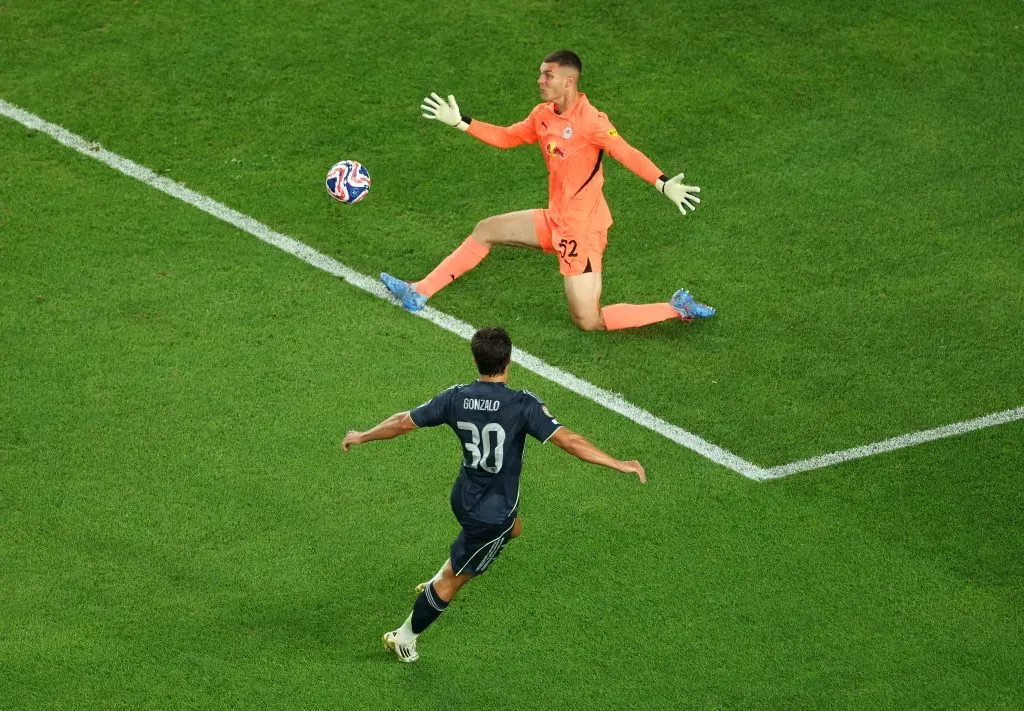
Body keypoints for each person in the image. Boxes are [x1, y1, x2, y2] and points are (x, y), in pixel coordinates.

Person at [341, 326, 646, 663]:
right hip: (490, 513)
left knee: (514, 528)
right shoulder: (522, 405)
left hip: (464, 496)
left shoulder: (455, 397)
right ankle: (404, 637)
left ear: (475, 360)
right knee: (453, 580)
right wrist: (617, 463)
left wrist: (362, 435)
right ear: (509, 360)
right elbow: (570, 441)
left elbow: (402, 422)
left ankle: (454, 563)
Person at [380, 49, 715, 332]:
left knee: (589, 320)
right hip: (556, 218)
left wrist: (663, 182)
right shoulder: (543, 115)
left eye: (547, 75)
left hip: (581, 231)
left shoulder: (592, 121)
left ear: (568, 81)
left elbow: (625, 152)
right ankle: (418, 292)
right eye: (541, 74)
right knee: (485, 230)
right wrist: (460, 122)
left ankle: (676, 308)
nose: (540, 81)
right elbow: (508, 137)